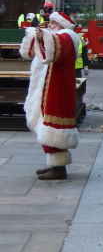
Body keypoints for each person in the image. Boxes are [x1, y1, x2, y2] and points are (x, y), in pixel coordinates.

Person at [19, 11, 81, 180]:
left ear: (61, 24)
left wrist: (43, 35)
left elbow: (55, 47)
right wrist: (35, 36)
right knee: (45, 126)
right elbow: (33, 53)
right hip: (47, 89)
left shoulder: (68, 36)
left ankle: (59, 168)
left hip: (57, 90)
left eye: (52, 23)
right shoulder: (56, 35)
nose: (49, 25)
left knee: (53, 128)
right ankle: (54, 164)